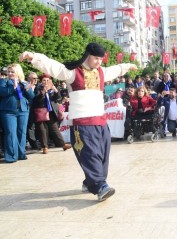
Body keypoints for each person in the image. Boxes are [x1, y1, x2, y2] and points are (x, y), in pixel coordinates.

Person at [20, 42, 137, 201]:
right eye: (96, 58)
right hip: (82, 122)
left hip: (100, 120)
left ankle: (90, 181)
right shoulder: (73, 73)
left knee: (103, 154)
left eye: (101, 59)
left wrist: (127, 66)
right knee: (90, 154)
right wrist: (34, 57)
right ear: (87, 55)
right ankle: (99, 186)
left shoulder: (101, 72)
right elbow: (53, 66)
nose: (99, 62)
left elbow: (114, 70)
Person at [0, 64, 35, 163]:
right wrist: (13, 88)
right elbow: (1, 92)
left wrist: (28, 90)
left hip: (23, 111)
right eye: (9, 72)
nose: (10, 73)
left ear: (18, 72)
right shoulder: (4, 81)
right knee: (10, 133)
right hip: (8, 111)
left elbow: (31, 97)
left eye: (12, 72)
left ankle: (21, 154)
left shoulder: (24, 83)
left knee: (21, 132)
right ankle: (11, 156)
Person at [31, 74, 71, 154]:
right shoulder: (38, 88)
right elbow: (36, 100)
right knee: (42, 130)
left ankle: (63, 145)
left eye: (47, 80)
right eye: (44, 80)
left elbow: (58, 99)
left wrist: (56, 91)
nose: (46, 82)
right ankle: (44, 147)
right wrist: (43, 92)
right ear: (41, 81)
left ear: (50, 81)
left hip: (51, 111)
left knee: (55, 129)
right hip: (41, 111)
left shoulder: (53, 88)